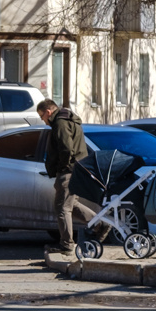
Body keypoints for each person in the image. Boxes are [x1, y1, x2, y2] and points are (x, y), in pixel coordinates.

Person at [38, 99, 96, 255]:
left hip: (69, 170)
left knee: (62, 207)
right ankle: (99, 224)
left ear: (48, 112)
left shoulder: (61, 123)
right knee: (71, 204)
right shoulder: (68, 120)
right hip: (75, 168)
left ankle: (67, 245)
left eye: (41, 116)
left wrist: (63, 167)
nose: (42, 120)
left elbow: (66, 148)